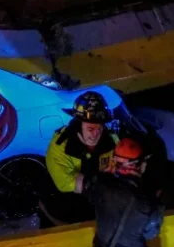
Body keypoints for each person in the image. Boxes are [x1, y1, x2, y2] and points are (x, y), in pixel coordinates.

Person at [42, 91, 118, 224]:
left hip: (95, 208)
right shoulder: (61, 144)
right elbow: (64, 183)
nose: (95, 134)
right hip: (61, 210)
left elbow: (119, 165)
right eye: (90, 129)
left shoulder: (111, 141)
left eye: (99, 129)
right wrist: (100, 184)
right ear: (79, 125)